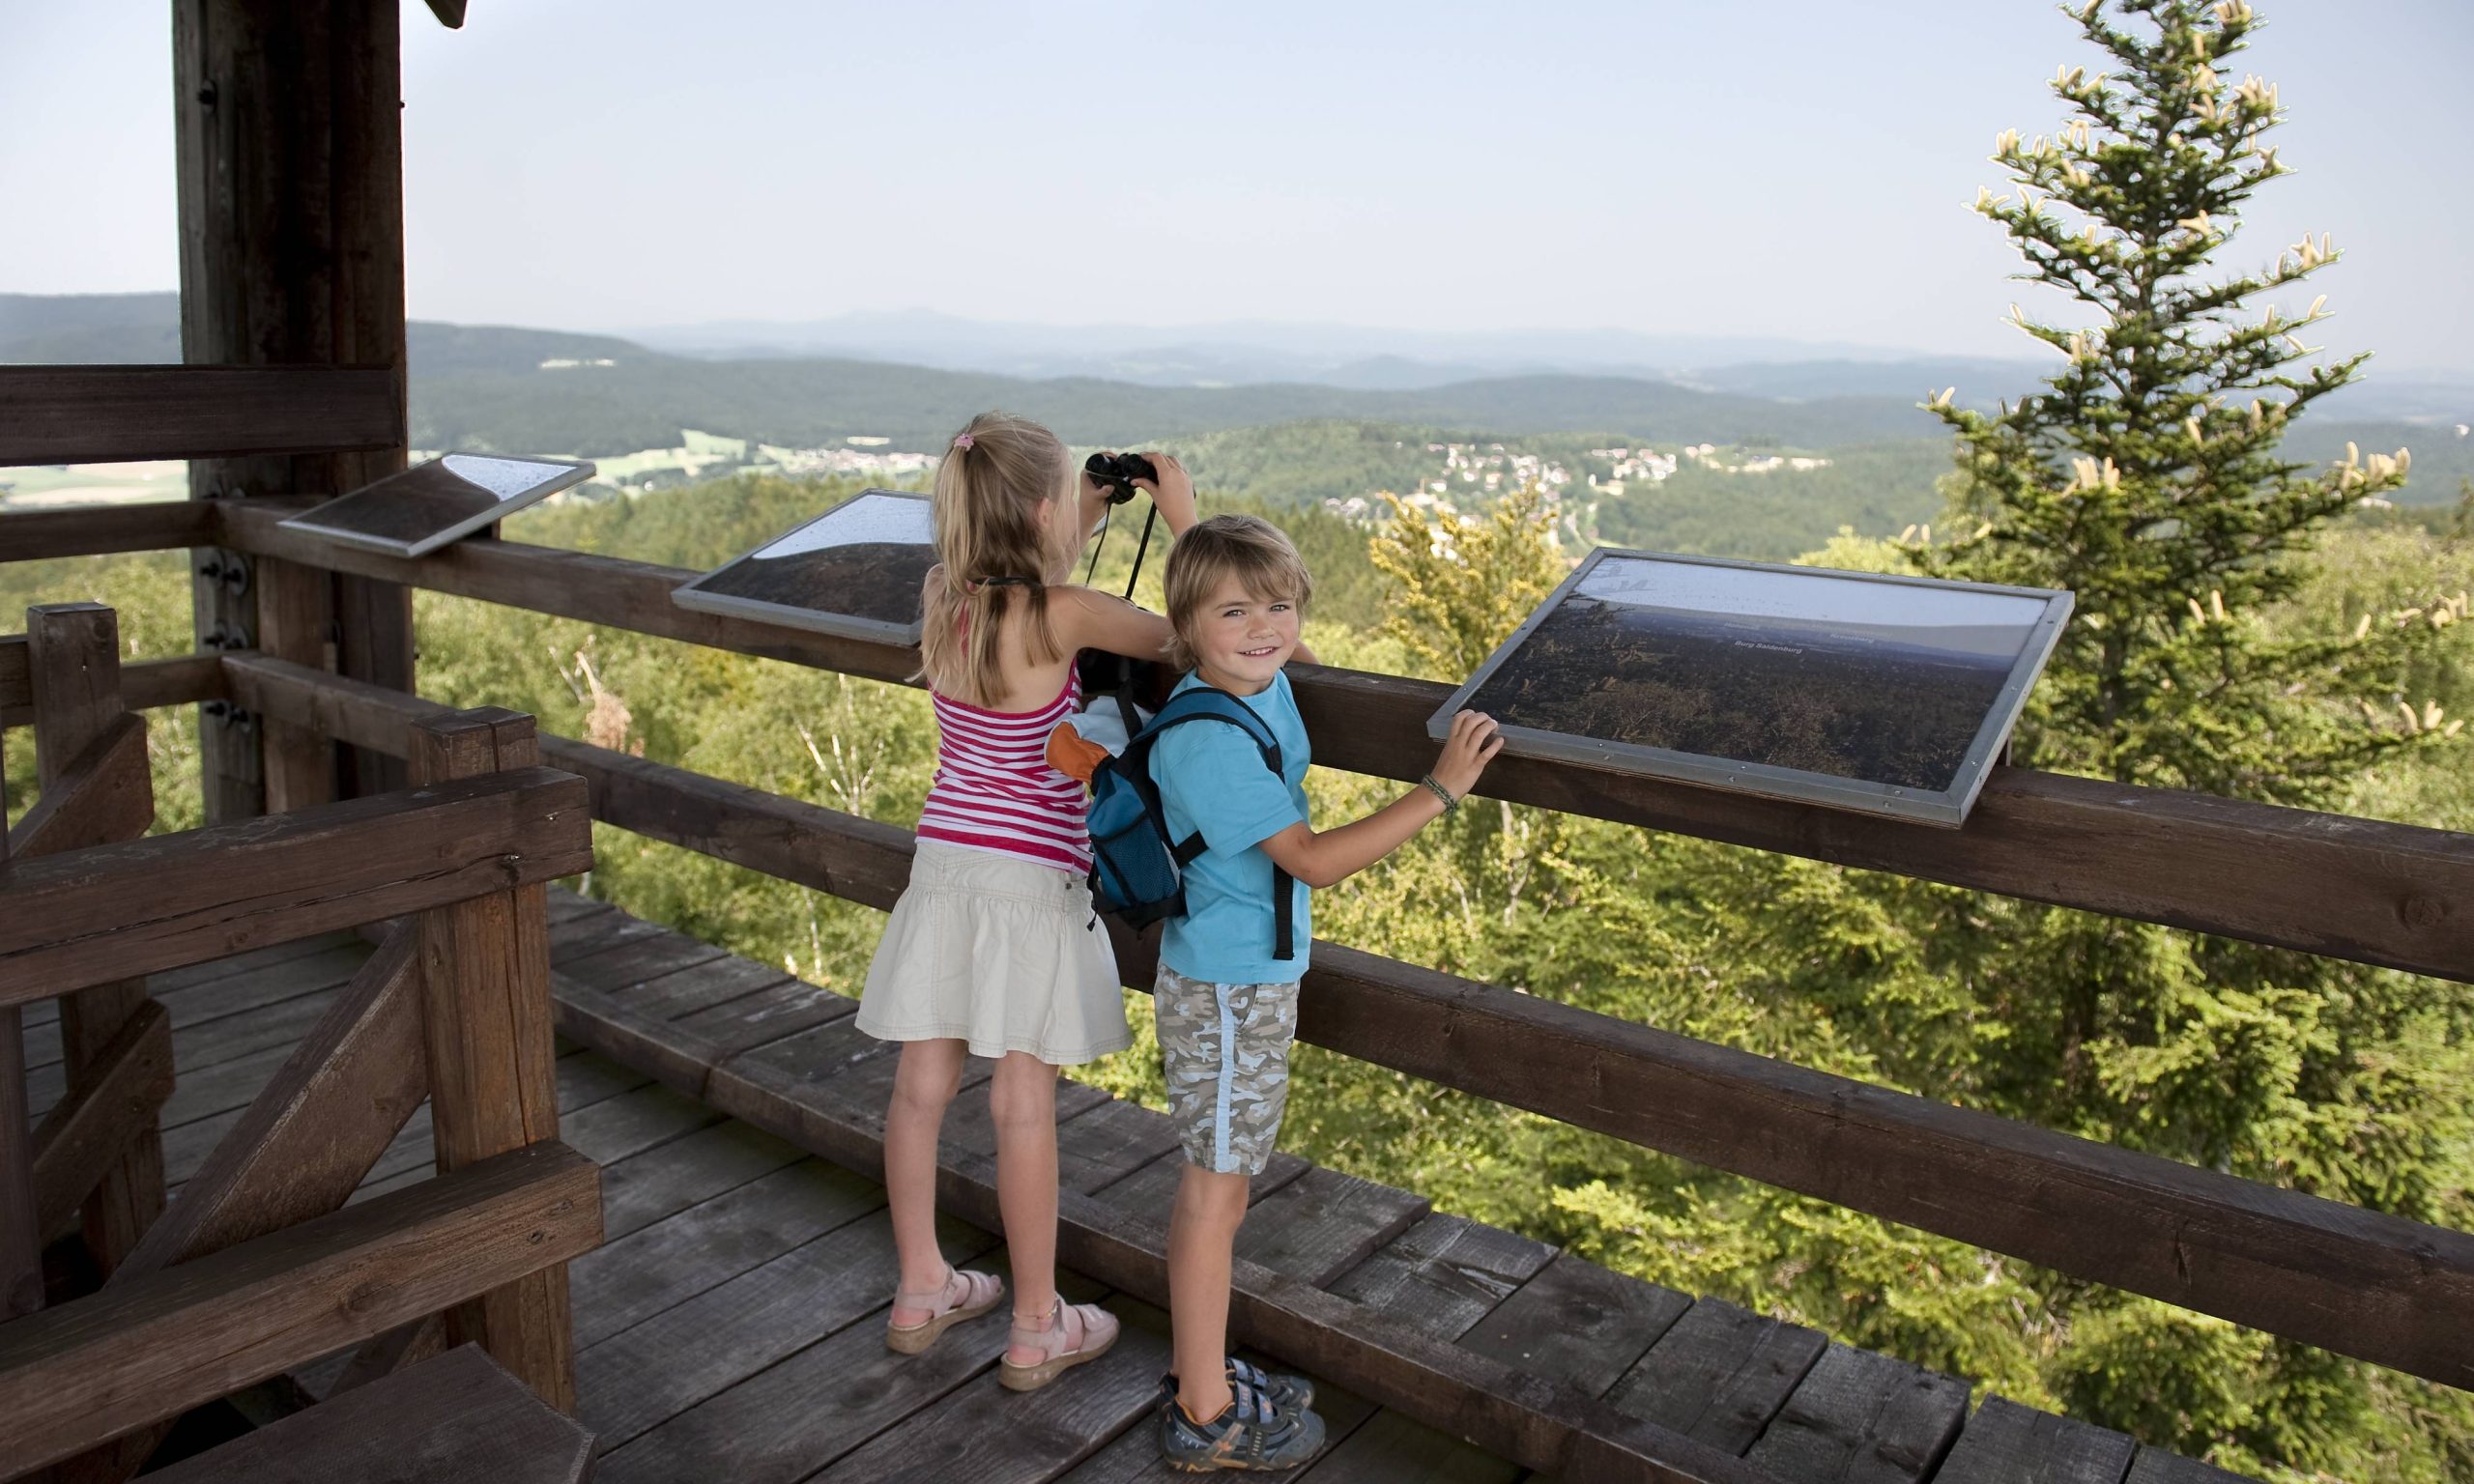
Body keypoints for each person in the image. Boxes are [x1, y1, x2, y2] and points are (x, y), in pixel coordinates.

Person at [1146, 515, 1503, 1470]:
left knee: (1219, 1186)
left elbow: (1256, 618)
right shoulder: (1210, 740)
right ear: (1188, 623)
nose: (1266, 627)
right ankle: (1204, 1413)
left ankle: (1201, 1372)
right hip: (1225, 989)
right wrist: (1440, 789)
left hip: (1244, 980)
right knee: (1214, 1197)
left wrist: (1197, 524)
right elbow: (1308, 860)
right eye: (1236, 611)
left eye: (1282, 605)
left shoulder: (1256, 678)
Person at [857, 411, 1194, 1390]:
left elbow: (1022, 554)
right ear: (1043, 511)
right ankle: (1038, 1322)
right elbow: (1193, 630)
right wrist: (1178, 518)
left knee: (922, 1083)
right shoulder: (1065, 612)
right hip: (1031, 875)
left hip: (945, 862)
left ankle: (922, 1284)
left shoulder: (943, 596)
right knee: (1021, 1100)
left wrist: (1084, 504)